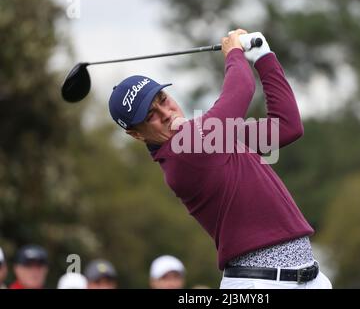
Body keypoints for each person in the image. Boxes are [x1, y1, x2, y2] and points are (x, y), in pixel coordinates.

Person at [108, 29, 332, 289]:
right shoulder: (182, 151)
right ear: (136, 134)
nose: (166, 112)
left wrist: (264, 57)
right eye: (150, 116)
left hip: (309, 277)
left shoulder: (210, 138)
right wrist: (234, 53)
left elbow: (287, 125)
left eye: (162, 100)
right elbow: (241, 89)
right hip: (259, 284)